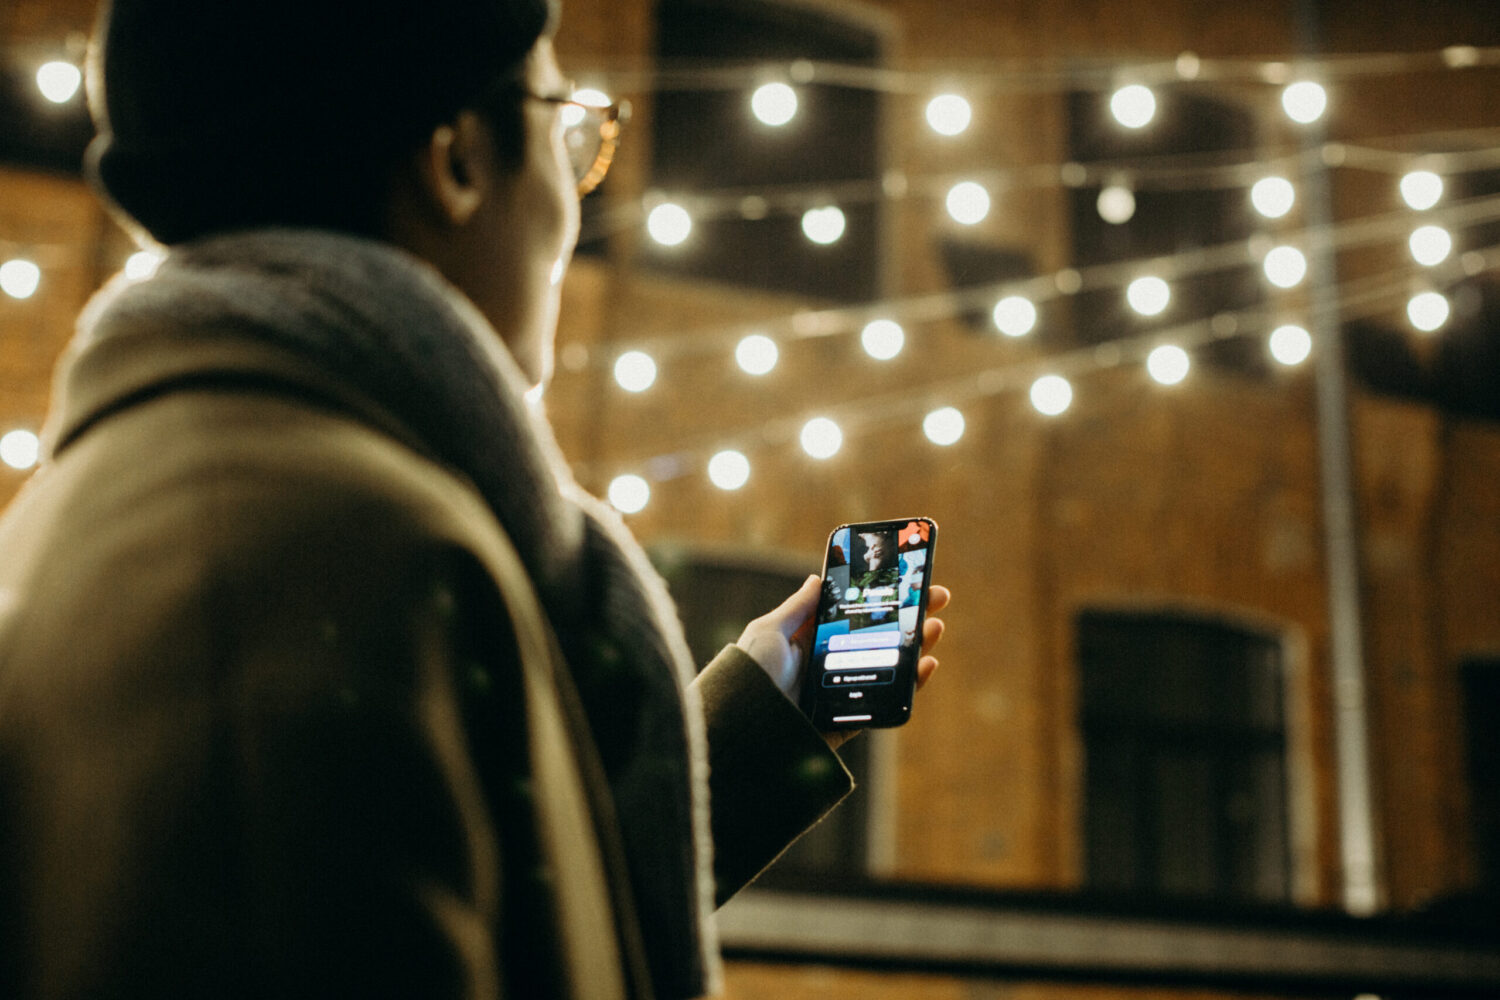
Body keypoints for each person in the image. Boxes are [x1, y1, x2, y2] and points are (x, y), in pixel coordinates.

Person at [0, 1, 949, 998]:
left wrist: (765, 714)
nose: (579, 195)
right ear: (456, 163)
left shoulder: (191, 500)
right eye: (565, 129)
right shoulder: (337, 555)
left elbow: (490, 911)